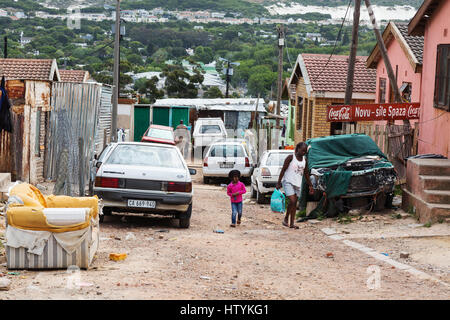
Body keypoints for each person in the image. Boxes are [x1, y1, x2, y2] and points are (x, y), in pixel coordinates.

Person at [276, 142, 313, 229]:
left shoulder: (305, 160)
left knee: (294, 203)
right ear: (297, 149)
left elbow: (306, 173)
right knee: (292, 200)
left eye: (305, 151)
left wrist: (310, 185)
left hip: (298, 184)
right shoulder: (290, 158)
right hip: (288, 182)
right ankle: (286, 219)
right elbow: (283, 170)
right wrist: (279, 182)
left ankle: (291, 223)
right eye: (302, 150)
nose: (304, 152)